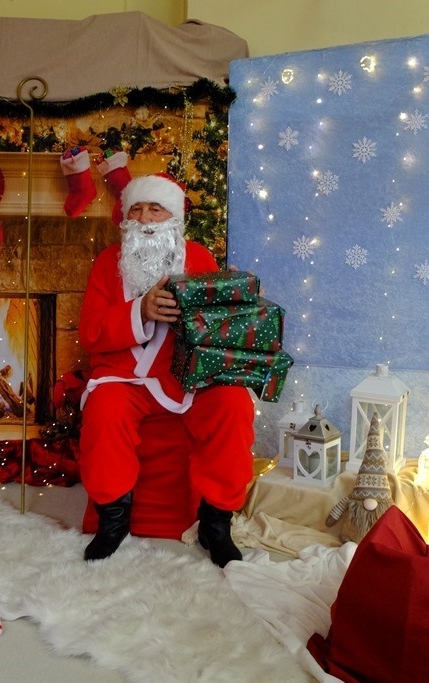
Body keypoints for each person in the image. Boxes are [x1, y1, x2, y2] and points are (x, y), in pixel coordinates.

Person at [78, 173, 255, 567]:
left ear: (173, 218)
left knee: (234, 402)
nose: (145, 219)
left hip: (188, 378)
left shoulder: (199, 258)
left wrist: (227, 305)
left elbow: (216, 328)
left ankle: (216, 523)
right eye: (137, 210)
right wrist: (140, 310)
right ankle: (113, 520)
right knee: (105, 408)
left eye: (155, 209)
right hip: (126, 377)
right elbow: (90, 332)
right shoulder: (108, 263)